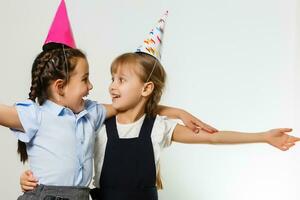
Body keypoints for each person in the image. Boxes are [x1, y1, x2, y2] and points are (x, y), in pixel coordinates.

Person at [2, 4, 216, 200]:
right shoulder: (36, 115)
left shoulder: (91, 114)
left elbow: (132, 105)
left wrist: (177, 112)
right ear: (60, 87)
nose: (91, 86)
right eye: (85, 79)